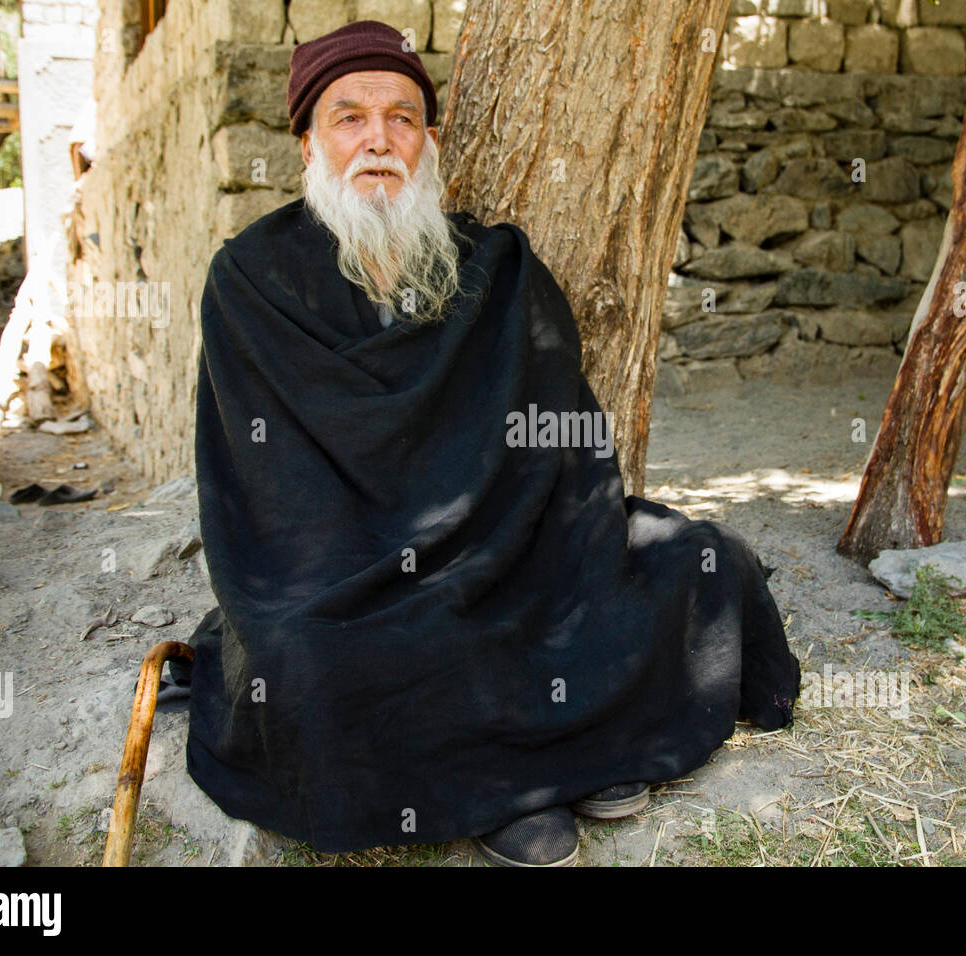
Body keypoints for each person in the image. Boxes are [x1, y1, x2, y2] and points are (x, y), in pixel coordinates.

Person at [185, 19, 801, 867]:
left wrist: (529, 557)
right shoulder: (249, 280)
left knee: (700, 559)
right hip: (340, 570)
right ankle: (543, 769)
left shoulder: (497, 266)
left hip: (515, 552)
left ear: (429, 142)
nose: (378, 139)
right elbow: (265, 485)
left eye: (402, 118)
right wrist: (403, 583)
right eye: (350, 117)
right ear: (308, 145)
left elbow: (566, 445)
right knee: (312, 661)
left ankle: (539, 759)